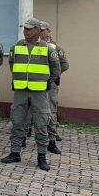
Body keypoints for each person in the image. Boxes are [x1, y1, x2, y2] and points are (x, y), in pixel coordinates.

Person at [0, 17, 61, 171]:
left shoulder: (48, 49)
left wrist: (48, 82)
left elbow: (56, 69)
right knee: (17, 122)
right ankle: (15, 152)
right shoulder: (17, 47)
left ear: (37, 31)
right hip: (20, 92)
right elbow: (12, 64)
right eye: (24, 28)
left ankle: (42, 156)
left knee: (41, 124)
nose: (25, 31)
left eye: (28, 29)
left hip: (39, 93)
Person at [39, 20, 69, 153]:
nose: (40, 32)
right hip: (37, 83)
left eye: (43, 30)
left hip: (50, 84)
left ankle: (52, 135)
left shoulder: (56, 47)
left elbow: (65, 65)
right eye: (39, 29)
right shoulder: (35, 45)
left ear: (49, 31)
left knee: (51, 109)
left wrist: (54, 76)